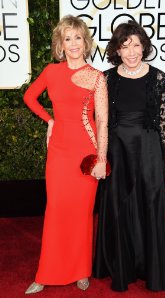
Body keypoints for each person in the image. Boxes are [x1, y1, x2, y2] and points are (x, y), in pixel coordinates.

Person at [93, 20, 165, 292]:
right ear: (117, 49)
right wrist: (100, 157)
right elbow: (101, 121)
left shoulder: (157, 77)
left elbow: (164, 123)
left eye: (136, 45)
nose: (131, 52)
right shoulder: (107, 78)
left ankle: (154, 267)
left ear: (144, 46)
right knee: (120, 206)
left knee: (151, 204)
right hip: (118, 151)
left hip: (148, 150)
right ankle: (124, 267)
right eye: (125, 46)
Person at [24, 15, 108, 294]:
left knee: (83, 214)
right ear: (60, 44)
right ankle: (45, 273)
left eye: (78, 37)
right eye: (67, 38)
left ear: (86, 42)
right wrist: (49, 121)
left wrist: (102, 159)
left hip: (87, 151)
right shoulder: (51, 71)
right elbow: (29, 97)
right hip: (59, 152)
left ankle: (81, 270)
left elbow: (104, 121)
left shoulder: (97, 77)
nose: (73, 43)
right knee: (56, 211)